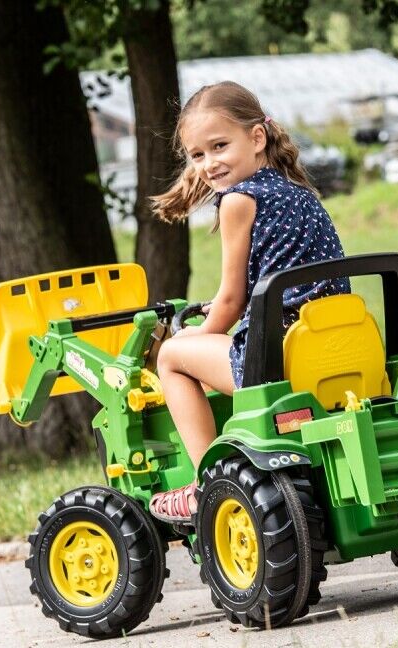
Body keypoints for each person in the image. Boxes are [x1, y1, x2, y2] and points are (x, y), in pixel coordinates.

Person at [148, 80, 348, 523]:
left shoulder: (238, 200)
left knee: (173, 356)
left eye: (219, 146)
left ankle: (208, 482)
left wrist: (199, 332)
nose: (208, 163)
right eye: (197, 155)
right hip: (331, 344)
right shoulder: (298, 192)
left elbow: (233, 300)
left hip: (278, 354)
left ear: (256, 138)